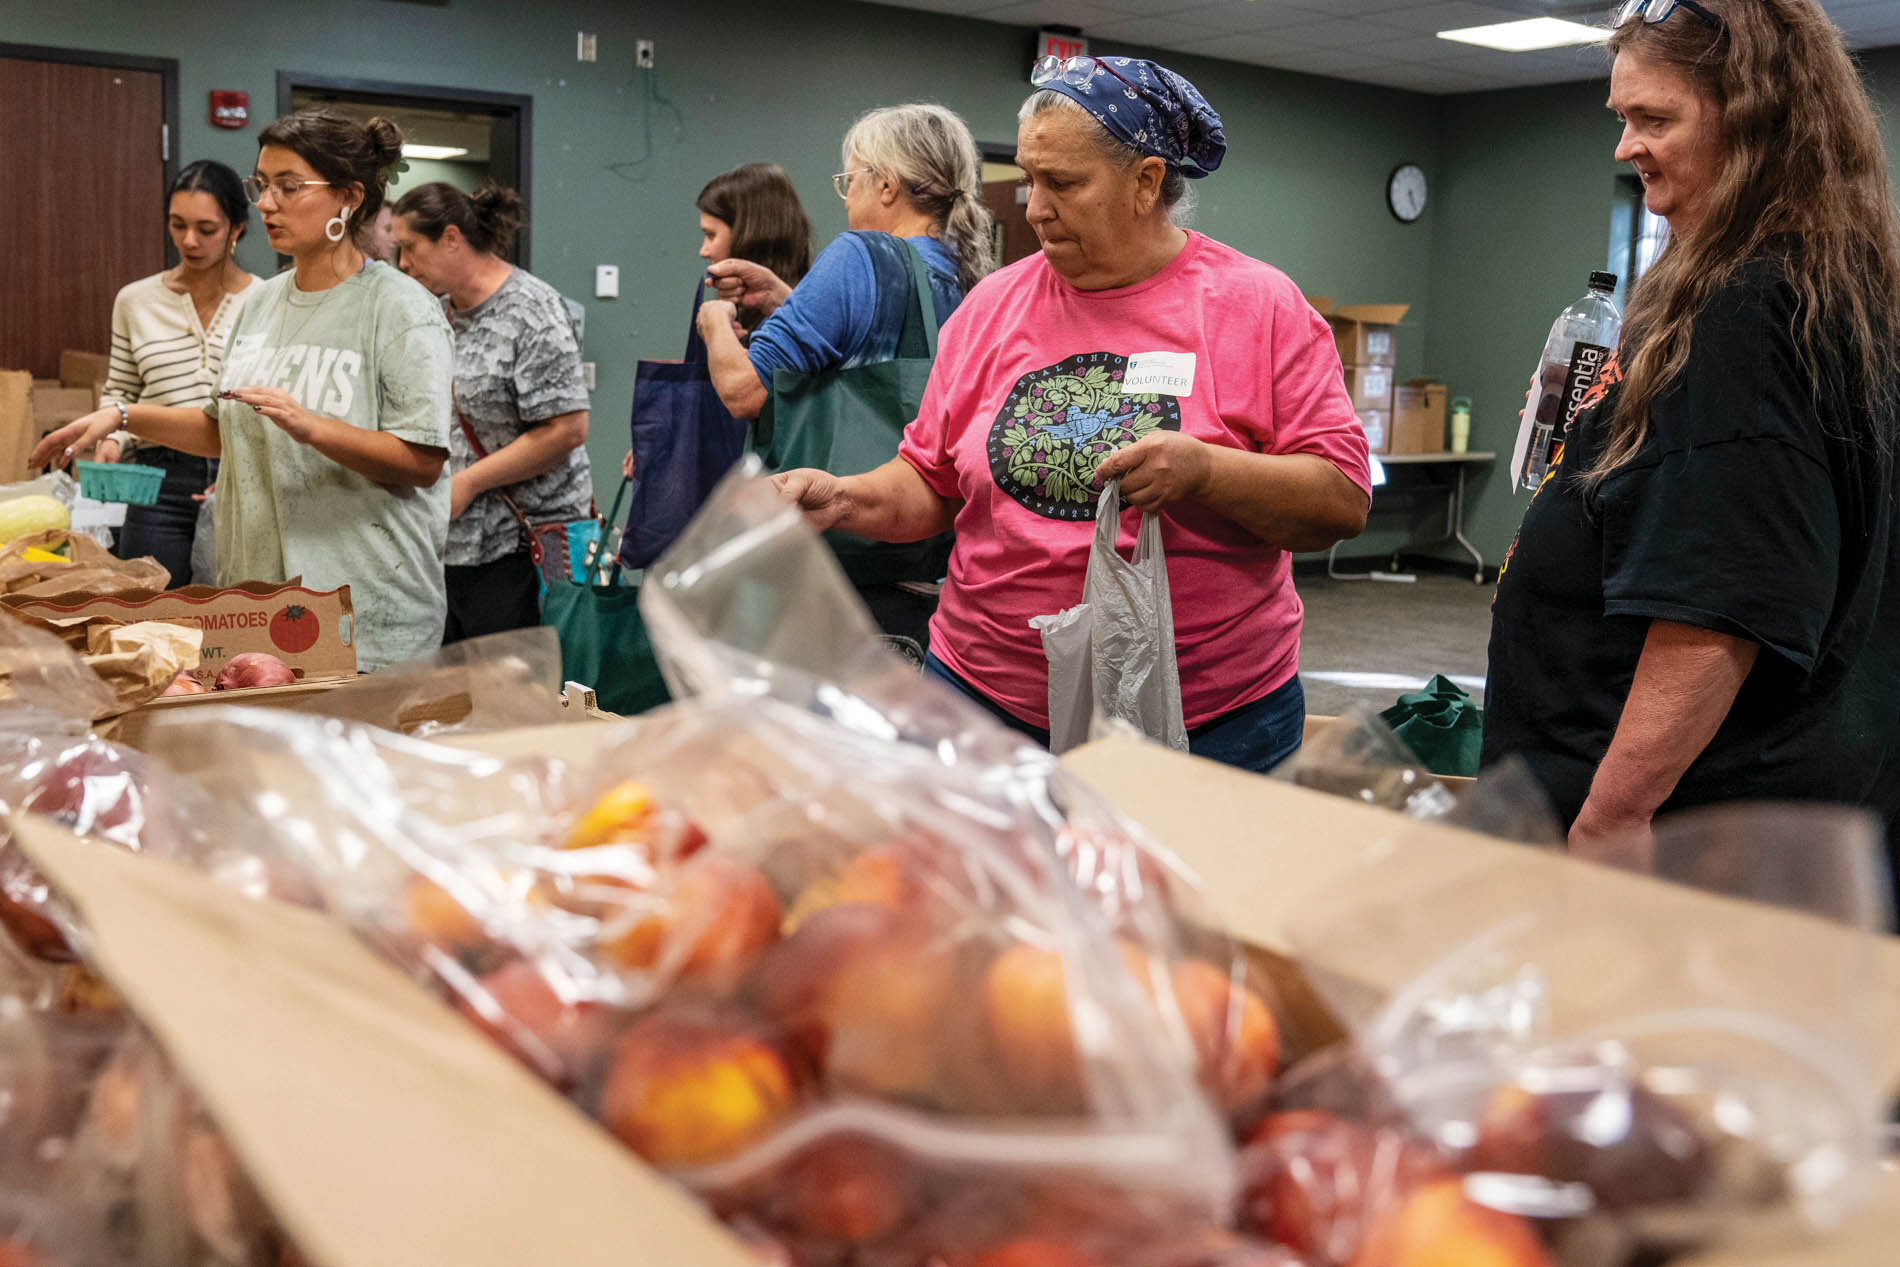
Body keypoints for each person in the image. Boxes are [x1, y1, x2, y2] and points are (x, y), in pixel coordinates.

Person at [771, 59, 1371, 773]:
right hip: (985, 704)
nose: (1033, 205)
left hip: (1207, 721)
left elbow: (1339, 499)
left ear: (1147, 182)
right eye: (1029, 178)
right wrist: (844, 496)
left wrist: (1205, 471)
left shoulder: (1258, 307)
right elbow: (931, 481)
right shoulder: (992, 308)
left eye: (1063, 183)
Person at [1482, 0, 1900, 881]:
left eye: (1655, 119)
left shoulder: (1750, 307)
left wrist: (1615, 813)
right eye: (1624, 117)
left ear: (1757, 124)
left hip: (1684, 832)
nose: (1625, 146)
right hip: (1786, 804)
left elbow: (1720, 602)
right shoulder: (1832, 283)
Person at [35, 109, 454, 673]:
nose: (266, 204)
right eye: (262, 185)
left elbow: (422, 461)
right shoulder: (261, 303)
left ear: (349, 197)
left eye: (289, 187)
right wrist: (122, 415)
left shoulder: (401, 309)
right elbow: (218, 429)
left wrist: (314, 429)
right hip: (263, 606)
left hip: (365, 610)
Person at [700, 104, 996, 644]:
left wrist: (714, 323)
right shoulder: (968, 273)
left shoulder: (861, 255)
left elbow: (744, 391)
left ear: (886, 185)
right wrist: (790, 301)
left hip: (844, 565)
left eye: (849, 180)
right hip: (932, 567)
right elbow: (881, 348)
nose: (847, 197)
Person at [391, 182, 593, 641]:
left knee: (515, 699)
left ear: (450, 238)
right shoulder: (433, 314)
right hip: (446, 549)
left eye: (409, 248)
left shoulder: (532, 310)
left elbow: (566, 430)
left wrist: (466, 483)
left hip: (521, 547)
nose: (403, 264)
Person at [93, 160, 257, 586]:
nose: (189, 240)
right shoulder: (135, 300)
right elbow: (121, 391)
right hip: (157, 480)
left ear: (236, 228)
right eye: (177, 225)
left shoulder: (265, 300)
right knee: (148, 613)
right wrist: (113, 437)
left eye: (206, 229)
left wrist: (247, 471)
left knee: (236, 621)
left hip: (238, 475)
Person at [618, 161, 815, 482]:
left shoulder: (811, 320)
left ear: (750, 235)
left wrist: (714, 323)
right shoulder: (751, 314)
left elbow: (744, 400)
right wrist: (671, 439)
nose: (703, 250)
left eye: (711, 235)